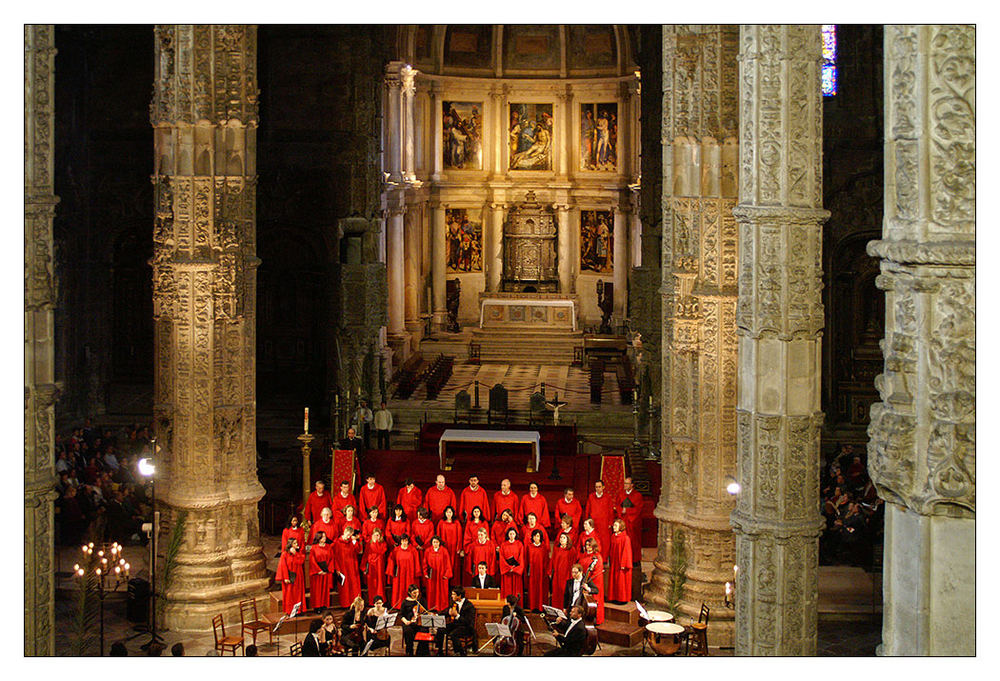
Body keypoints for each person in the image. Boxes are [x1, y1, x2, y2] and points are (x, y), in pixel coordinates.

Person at [435, 586, 476, 656]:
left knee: (453, 634)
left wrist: (457, 615)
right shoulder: (454, 603)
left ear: (459, 596)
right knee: (441, 629)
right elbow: (446, 611)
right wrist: (436, 614)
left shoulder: (469, 606)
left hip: (466, 627)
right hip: (456, 625)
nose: (451, 596)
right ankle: (440, 650)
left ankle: (460, 652)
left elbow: (468, 622)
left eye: (453, 594)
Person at [386, 535, 422, 609]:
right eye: (403, 541)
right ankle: (399, 606)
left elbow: (417, 562)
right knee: (399, 590)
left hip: (410, 574)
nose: (404, 542)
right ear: (400, 541)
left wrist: (417, 572)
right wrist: (392, 570)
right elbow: (391, 560)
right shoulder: (396, 550)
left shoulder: (413, 550)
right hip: (399, 574)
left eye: (406, 541)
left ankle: (411, 606)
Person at [333, 525, 363, 606]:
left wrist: (354, 542)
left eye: (350, 535)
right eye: (348, 535)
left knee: (354, 586)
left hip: (352, 567)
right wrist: (337, 569)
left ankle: (355, 603)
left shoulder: (351, 542)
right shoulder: (337, 542)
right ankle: (345, 604)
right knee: (345, 587)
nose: (348, 537)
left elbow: (358, 550)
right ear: (344, 532)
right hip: (342, 567)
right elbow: (335, 557)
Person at [616, 477, 644, 565]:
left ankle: (634, 560)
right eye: (624, 483)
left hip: (633, 523)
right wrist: (621, 511)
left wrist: (627, 511)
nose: (625, 485)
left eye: (627, 484)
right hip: (623, 521)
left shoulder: (637, 495)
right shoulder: (620, 494)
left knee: (634, 542)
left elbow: (638, 509)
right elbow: (617, 506)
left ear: (632, 485)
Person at [275, 537, 306, 615]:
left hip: (298, 576)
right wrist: (286, 577)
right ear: (290, 544)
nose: (297, 545)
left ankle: (298, 610)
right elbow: (283, 566)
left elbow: (301, 562)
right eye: (295, 543)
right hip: (289, 576)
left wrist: (295, 554)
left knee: (298, 593)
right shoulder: (285, 554)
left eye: (296, 543)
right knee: (289, 594)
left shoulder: (299, 553)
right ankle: (290, 610)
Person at [578, 538, 605, 625]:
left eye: (589, 545)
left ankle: (595, 619)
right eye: (586, 545)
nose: (587, 547)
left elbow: (597, 571)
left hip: (593, 582)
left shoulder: (597, 557)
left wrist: (588, 582)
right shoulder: (584, 555)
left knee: (594, 601)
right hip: (584, 580)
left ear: (593, 546)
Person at [585, 480, 614, 560]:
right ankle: (593, 557)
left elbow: (610, 511)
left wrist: (610, 523)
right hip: (594, 523)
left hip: (604, 524)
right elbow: (588, 509)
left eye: (599, 487)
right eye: (596, 487)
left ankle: (603, 559)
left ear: (603, 487)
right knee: (594, 540)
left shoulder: (607, 497)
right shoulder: (591, 496)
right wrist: (587, 521)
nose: (598, 489)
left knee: (604, 542)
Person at [423, 536, 453, 611]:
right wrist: (425, 572)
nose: (435, 544)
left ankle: (442, 608)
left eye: (437, 542)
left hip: (441, 575)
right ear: (431, 543)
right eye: (434, 542)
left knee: (442, 592)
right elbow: (424, 563)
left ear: (439, 543)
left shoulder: (444, 551)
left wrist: (447, 574)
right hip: (432, 575)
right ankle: (432, 608)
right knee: (431, 591)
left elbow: (448, 563)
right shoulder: (428, 551)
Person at [607, 518, 633, 603]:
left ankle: (622, 599)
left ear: (621, 527)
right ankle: (614, 597)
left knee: (621, 581)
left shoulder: (625, 538)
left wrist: (624, 564)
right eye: (614, 525)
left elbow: (627, 552)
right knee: (614, 580)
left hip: (621, 564)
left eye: (615, 525)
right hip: (614, 562)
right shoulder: (613, 536)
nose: (613, 527)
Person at [397, 584, 428, 656]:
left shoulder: (421, 600)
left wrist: (422, 614)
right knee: (408, 631)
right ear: (410, 593)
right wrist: (406, 621)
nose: (416, 594)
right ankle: (409, 650)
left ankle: (420, 652)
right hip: (409, 622)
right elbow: (401, 614)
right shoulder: (405, 602)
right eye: (414, 593)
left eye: (417, 592)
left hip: (419, 622)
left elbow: (426, 612)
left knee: (425, 630)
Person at [549, 532, 577, 608]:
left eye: (564, 538)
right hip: (557, 574)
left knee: (564, 592)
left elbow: (573, 563)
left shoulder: (571, 550)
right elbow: (552, 560)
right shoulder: (556, 548)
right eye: (561, 537)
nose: (561, 539)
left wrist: (572, 575)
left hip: (566, 574)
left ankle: (564, 609)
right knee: (556, 592)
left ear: (568, 540)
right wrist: (550, 571)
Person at [309, 531, 334, 611]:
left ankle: (324, 605)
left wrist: (328, 569)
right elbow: (312, 560)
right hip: (317, 573)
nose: (325, 538)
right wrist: (318, 570)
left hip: (325, 571)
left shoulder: (328, 547)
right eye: (323, 537)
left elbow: (331, 559)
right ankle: (317, 607)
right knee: (317, 591)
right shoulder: (314, 548)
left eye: (325, 536)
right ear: (319, 538)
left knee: (324, 590)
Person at [436, 505, 464, 579]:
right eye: (447, 512)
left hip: (454, 548)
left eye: (450, 512)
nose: (449, 514)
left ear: (453, 513)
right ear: (445, 513)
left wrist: (459, 547)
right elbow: (438, 535)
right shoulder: (441, 523)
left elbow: (460, 536)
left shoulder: (456, 523)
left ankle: (454, 584)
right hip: (444, 547)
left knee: (454, 565)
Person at [525, 528, 550, 612]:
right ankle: (532, 606)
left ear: (540, 537)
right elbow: (527, 560)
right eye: (535, 536)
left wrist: (546, 572)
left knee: (541, 589)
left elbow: (546, 560)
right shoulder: (529, 547)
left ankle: (540, 607)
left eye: (538, 536)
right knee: (532, 589)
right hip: (532, 572)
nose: (536, 538)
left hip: (541, 572)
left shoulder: (544, 547)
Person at [498, 527, 525, 601]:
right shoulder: (503, 545)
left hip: (516, 572)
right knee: (507, 590)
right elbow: (501, 558)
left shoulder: (519, 544)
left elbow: (521, 557)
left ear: (516, 535)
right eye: (510, 534)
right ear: (508, 535)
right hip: (507, 572)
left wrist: (515, 568)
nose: (512, 535)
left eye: (513, 534)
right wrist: (508, 567)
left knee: (516, 591)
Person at [462, 505, 489, 576]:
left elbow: (487, 536)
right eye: (475, 511)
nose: (476, 513)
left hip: (483, 547)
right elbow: (467, 536)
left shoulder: (484, 523)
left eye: (478, 511)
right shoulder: (469, 523)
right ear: (472, 513)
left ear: (480, 513)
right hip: (472, 546)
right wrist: (471, 545)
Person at [362, 527, 388, 601]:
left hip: (379, 566)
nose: (376, 537)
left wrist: (375, 542)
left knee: (380, 584)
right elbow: (365, 555)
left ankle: (380, 600)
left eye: (377, 535)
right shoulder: (369, 544)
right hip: (371, 566)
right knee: (372, 584)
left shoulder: (383, 544)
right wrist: (363, 567)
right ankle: (372, 601)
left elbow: (379, 551)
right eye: (375, 535)